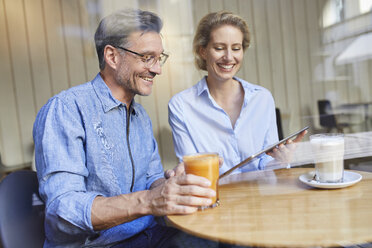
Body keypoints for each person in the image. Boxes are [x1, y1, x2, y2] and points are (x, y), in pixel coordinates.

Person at [33, 9, 221, 248]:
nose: (157, 69)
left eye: (159, 57)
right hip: (98, 245)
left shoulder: (139, 115)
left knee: (217, 241)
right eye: (146, 57)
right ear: (112, 56)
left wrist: (176, 184)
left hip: (147, 237)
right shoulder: (66, 109)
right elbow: (62, 211)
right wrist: (150, 201)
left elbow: (152, 179)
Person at [168, 11, 306, 175]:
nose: (228, 57)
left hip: (261, 196)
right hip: (214, 198)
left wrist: (282, 160)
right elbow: (193, 171)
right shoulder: (181, 106)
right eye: (219, 48)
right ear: (203, 51)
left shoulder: (262, 98)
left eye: (236, 48)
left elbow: (267, 165)